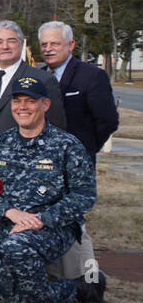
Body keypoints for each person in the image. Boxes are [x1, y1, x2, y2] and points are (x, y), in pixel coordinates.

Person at [0, 75, 105, 303]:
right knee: (11, 298)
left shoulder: (66, 145)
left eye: (30, 101)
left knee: (17, 249)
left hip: (54, 228)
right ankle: (83, 287)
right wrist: (10, 212)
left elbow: (84, 195)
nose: (22, 107)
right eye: (17, 101)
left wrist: (41, 220)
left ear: (45, 105)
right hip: (10, 227)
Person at [0, 20, 65, 264]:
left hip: (20, 161)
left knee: (11, 215)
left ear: (21, 45)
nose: (5, 46)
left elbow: (57, 127)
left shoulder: (40, 79)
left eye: (11, 41)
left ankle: (11, 266)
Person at [39, 20, 119, 282]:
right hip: (44, 165)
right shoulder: (39, 76)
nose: (49, 49)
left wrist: (83, 152)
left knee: (75, 222)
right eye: (44, 44)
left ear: (71, 45)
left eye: (55, 43)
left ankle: (88, 279)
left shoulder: (91, 76)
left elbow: (107, 121)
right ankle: (57, 275)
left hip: (76, 165)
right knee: (51, 218)